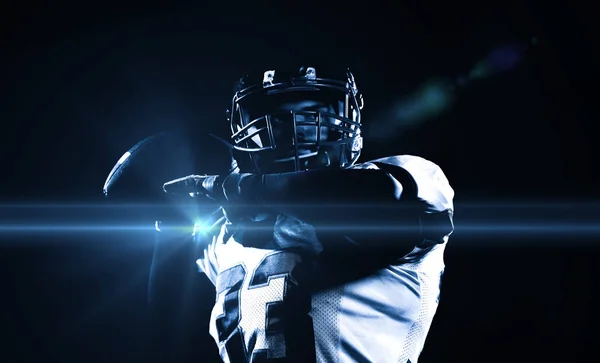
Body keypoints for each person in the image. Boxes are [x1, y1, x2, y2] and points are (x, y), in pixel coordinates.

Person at [156, 65, 455, 363]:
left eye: (314, 110)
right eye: (276, 115)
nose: (294, 124)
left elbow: (355, 196)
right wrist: (159, 201)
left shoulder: (414, 178)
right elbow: (161, 283)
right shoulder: (224, 233)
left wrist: (232, 187)